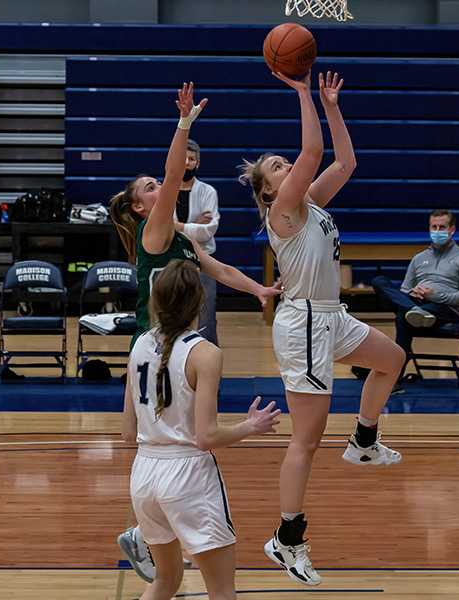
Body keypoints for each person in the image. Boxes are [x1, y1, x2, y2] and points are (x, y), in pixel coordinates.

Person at [239, 69, 406, 587]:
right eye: (278, 168)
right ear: (270, 192)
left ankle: (363, 439)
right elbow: (312, 155)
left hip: (330, 315)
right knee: (306, 440)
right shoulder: (284, 211)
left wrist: (332, 105)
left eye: (285, 162)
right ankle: (286, 540)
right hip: (304, 324)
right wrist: (304, 93)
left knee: (392, 358)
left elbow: (345, 161)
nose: (288, 165)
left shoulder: (310, 203)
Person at [111, 82, 281, 583]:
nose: (157, 188)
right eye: (147, 189)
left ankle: (148, 525)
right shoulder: (156, 231)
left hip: (172, 343)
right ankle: (147, 527)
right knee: (181, 434)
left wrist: (260, 290)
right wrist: (184, 124)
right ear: (143, 208)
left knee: (159, 435)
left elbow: (221, 269)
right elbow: (171, 172)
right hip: (158, 340)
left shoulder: (181, 239)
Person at [122, 259, 281, 600]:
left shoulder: (138, 346)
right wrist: (250, 426)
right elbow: (206, 438)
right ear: (200, 301)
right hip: (187, 476)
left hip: (143, 475)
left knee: (164, 582)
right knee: (221, 591)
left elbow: (126, 431)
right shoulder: (204, 353)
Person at [368, 209, 459, 393]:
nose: (437, 231)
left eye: (441, 227)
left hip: (445, 309)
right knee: (379, 281)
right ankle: (413, 310)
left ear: (452, 230)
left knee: (404, 316)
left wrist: (434, 295)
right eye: (433, 227)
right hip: (417, 304)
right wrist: (414, 293)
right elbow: (403, 290)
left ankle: (396, 379)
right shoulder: (419, 258)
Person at [174, 139, 221, 345]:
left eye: (191, 159)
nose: (186, 162)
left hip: (204, 262)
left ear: (197, 164)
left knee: (206, 315)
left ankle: (208, 355)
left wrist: (179, 226)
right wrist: (194, 225)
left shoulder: (208, 192)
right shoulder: (164, 190)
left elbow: (209, 231)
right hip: (173, 260)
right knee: (173, 311)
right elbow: (162, 227)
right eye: (182, 158)